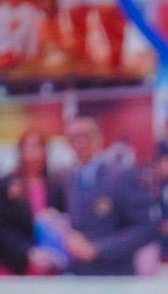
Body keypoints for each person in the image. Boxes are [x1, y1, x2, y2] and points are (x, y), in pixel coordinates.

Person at [52, 114, 155, 275]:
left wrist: (98, 249)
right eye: (73, 138)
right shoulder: (68, 180)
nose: (80, 142)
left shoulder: (123, 176)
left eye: (85, 135)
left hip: (114, 277)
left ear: (99, 138)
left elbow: (145, 229)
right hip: (79, 276)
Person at [0, 124, 62, 274]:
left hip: (49, 266)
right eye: (28, 147)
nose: (33, 152)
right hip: (14, 265)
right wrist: (28, 252)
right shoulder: (5, 183)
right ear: (20, 151)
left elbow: (62, 224)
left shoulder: (56, 185)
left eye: (39, 146)